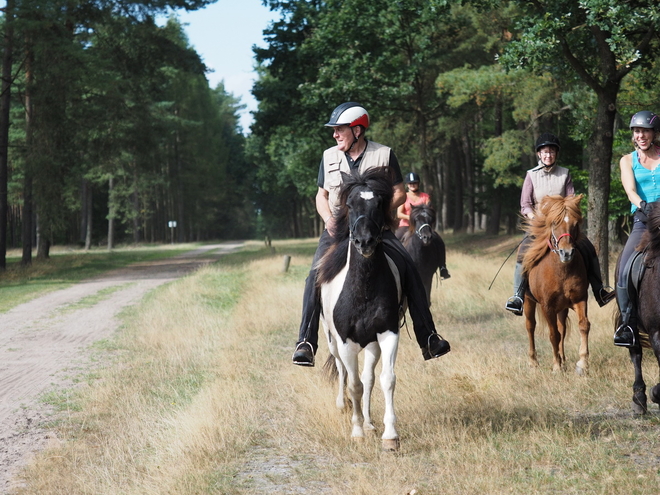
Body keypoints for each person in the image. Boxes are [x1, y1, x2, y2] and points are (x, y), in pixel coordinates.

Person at [292, 102, 450, 366]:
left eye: (339, 129)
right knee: (314, 275)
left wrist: (375, 214)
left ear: (357, 130)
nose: (335, 135)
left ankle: (429, 337)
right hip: (337, 231)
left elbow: (399, 191)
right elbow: (321, 196)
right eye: (334, 131)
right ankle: (306, 342)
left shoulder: (384, 155)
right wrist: (328, 219)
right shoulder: (328, 156)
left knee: (409, 267)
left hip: (376, 230)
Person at [504, 133, 615, 315]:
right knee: (523, 250)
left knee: (587, 247)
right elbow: (525, 204)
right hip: (539, 226)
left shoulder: (565, 174)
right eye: (545, 152)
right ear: (539, 154)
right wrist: (534, 218)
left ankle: (600, 290)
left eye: (552, 152)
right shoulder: (531, 175)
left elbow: (571, 199)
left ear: (556, 154)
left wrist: (569, 216)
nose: (549, 155)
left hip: (562, 226)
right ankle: (517, 295)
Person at [613, 111, 660, 347]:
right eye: (637, 131)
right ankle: (626, 323)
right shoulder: (627, 160)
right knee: (624, 266)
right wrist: (642, 204)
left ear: (654, 134)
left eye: (646, 131)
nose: (641, 135)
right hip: (643, 220)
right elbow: (630, 190)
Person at [396, 172, 450, 279]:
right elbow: (399, 214)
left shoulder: (425, 196)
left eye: (415, 183)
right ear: (407, 185)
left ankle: (442, 267)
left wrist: (422, 219)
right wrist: (413, 218)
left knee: (438, 240)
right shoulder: (404, 197)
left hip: (423, 226)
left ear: (418, 184)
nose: (413, 185)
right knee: (395, 240)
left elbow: (430, 211)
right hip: (406, 225)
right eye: (410, 183)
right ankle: (394, 266)